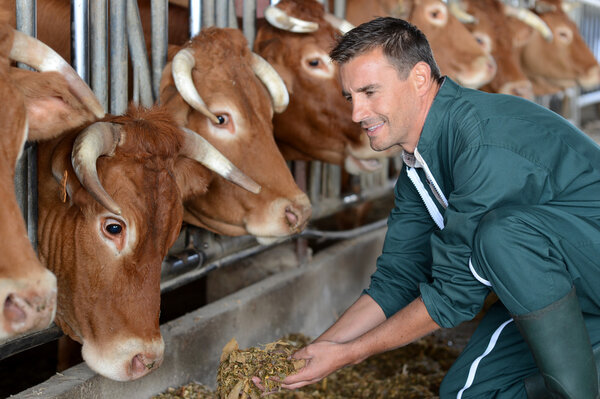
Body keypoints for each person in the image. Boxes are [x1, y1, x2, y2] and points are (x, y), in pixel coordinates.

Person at [274, 17, 600, 399]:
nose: (356, 114)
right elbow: (398, 278)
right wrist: (312, 354)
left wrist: (349, 355)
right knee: (468, 393)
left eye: (369, 92)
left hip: (588, 272)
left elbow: (454, 294)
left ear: (419, 78)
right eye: (351, 97)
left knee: (503, 235)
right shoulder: (418, 164)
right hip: (562, 294)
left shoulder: (478, 143)